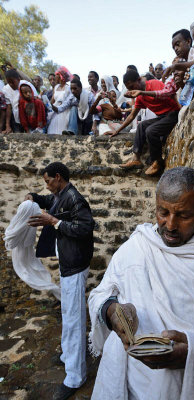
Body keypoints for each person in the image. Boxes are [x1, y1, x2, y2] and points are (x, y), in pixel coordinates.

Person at [88, 166, 194, 400]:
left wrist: (193, 353)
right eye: (163, 212)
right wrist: (111, 311)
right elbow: (100, 293)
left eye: (183, 215)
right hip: (131, 384)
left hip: (188, 388)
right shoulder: (137, 247)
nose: (170, 225)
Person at [26, 162, 95, 400]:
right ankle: (68, 355)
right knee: (68, 313)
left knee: (74, 319)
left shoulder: (75, 198)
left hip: (75, 266)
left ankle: (76, 376)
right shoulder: (60, 195)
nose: (47, 186)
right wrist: (33, 197)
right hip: (69, 264)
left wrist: (54, 222)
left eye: (48, 181)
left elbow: (86, 227)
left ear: (58, 177)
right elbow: (48, 202)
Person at [106, 70, 180, 176]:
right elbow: (132, 115)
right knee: (142, 126)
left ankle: (157, 162)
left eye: (132, 86)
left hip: (173, 113)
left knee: (151, 131)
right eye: (129, 88)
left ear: (139, 80)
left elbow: (166, 94)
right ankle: (136, 158)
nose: (132, 90)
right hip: (162, 117)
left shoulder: (154, 83)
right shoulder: (140, 97)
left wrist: (141, 92)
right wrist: (117, 130)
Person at [2, 69, 37, 133]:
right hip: (17, 120)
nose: (11, 84)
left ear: (18, 79)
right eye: (8, 82)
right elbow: (9, 108)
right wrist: (7, 125)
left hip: (30, 118)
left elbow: (36, 100)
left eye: (13, 82)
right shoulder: (5, 89)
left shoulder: (26, 84)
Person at [47, 66, 72, 135]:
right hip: (55, 111)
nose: (55, 77)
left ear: (61, 77)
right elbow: (52, 100)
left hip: (64, 112)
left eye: (56, 75)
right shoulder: (56, 87)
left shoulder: (68, 88)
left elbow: (68, 102)